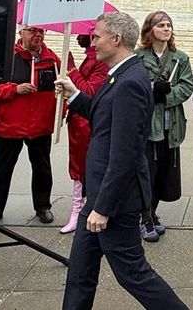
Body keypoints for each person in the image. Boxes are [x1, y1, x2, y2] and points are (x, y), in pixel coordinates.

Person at [55, 12, 189, 310]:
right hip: (99, 193)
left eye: (96, 37)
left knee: (134, 275)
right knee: (80, 272)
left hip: (114, 201)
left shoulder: (130, 81)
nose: (92, 43)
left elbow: (125, 152)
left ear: (116, 39)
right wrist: (74, 95)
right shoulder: (119, 74)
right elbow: (104, 118)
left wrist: (103, 208)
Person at [0, 25, 61, 226]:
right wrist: (14, 89)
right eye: (32, 30)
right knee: (3, 168)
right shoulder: (7, 57)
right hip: (12, 125)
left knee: (42, 168)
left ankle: (43, 206)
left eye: (41, 31)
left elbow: (61, 92)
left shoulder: (52, 59)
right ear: (21, 32)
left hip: (40, 125)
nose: (38, 35)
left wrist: (60, 114)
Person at [134, 11, 193, 241]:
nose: (167, 29)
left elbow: (187, 86)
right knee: (146, 174)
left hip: (172, 126)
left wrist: (167, 96)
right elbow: (132, 85)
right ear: (150, 30)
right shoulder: (138, 57)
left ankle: (152, 213)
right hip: (148, 127)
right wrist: (152, 90)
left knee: (163, 175)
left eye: (169, 25)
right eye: (161, 25)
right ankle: (145, 218)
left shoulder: (180, 58)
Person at [59, 31, 110, 234]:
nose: (79, 37)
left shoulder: (100, 62)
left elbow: (87, 90)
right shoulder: (90, 58)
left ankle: (83, 210)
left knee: (85, 167)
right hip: (78, 123)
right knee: (77, 167)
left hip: (87, 123)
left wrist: (71, 69)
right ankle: (77, 210)